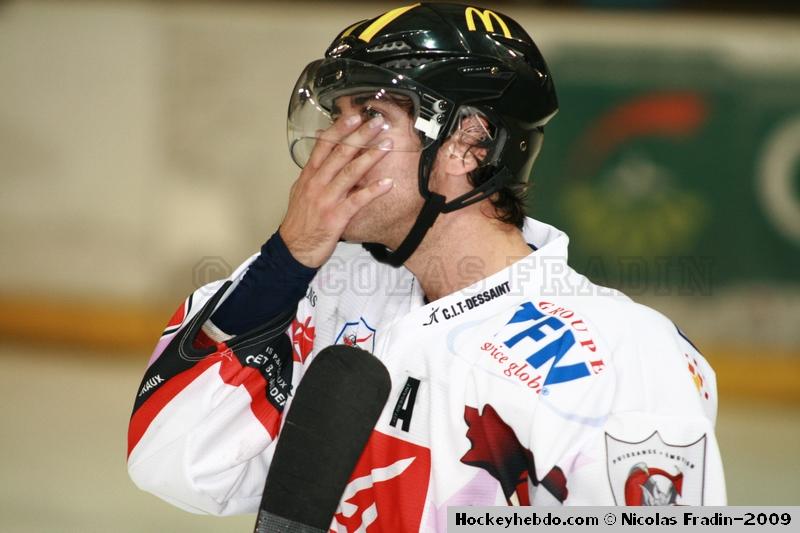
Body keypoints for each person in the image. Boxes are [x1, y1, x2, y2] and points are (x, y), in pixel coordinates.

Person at [127, 2, 726, 529]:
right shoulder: (327, 290)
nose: (334, 143)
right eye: (337, 115)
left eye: (370, 115)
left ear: (468, 142)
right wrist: (286, 261)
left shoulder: (620, 354)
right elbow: (174, 462)